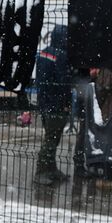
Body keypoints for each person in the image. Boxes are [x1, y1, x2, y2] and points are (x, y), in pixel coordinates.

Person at [31, 26, 71, 185]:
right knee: (51, 139)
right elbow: (64, 82)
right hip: (57, 104)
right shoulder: (62, 56)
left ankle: (51, 168)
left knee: (51, 137)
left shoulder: (43, 53)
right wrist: (66, 102)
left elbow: (40, 79)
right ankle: (41, 172)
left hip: (45, 102)